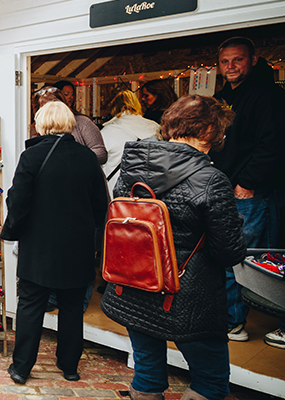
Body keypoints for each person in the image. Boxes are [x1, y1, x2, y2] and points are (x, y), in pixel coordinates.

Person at [102, 95, 246, 400]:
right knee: (210, 380)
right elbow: (228, 252)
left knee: (147, 374)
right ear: (210, 131)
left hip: (136, 286)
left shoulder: (133, 167)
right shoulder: (210, 179)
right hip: (190, 297)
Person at [1, 102, 108, 384]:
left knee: (30, 306)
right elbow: (101, 205)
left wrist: (11, 230)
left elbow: (18, 201)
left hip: (39, 246)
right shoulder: (87, 158)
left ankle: (22, 367)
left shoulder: (33, 156)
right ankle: (69, 365)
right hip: (78, 246)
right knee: (73, 308)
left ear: (41, 124)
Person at [210, 36, 285, 348]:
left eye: (237, 60)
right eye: (225, 61)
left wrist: (248, 183)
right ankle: (234, 322)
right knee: (235, 258)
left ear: (253, 60)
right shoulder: (226, 96)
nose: (230, 67)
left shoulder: (268, 95)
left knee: (263, 261)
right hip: (229, 188)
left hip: (256, 192)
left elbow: (273, 146)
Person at [101, 90, 159, 195]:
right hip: (146, 193)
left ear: (114, 107)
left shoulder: (108, 131)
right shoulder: (154, 128)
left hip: (115, 194)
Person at [32, 88, 108, 165]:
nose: (52, 112)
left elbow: (101, 154)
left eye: (56, 107)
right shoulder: (32, 131)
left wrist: (72, 159)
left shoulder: (83, 123)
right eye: (47, 109)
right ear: (38, 111)